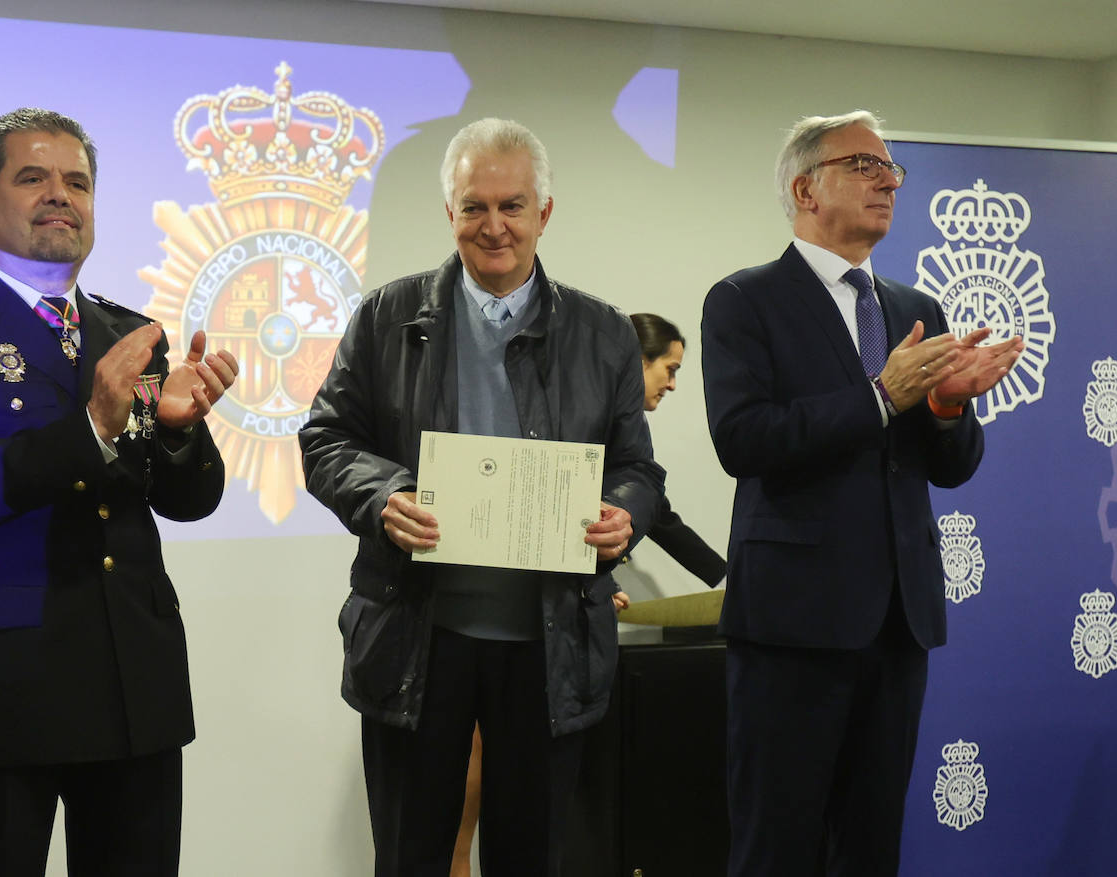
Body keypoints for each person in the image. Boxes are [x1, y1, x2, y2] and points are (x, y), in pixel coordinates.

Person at [299, 117, 663, 877]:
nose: (493, 226)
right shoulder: (384, 317)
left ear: (545, 214)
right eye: (474, 207)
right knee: (411, 853)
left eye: (512, 205)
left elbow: (637, 467)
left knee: (531, 855)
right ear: (450, 213)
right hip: (415, 634)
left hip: (551, 642)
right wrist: (385, 494)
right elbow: (325, 439)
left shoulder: (603, 333)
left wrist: (625, 512)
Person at [0, 107, 239, 876]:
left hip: (131, 683)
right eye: (33, 177)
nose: (60, 195)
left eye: (77, 182)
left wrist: (179, 431)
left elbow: (186, 499)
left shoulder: (129, 333)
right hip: (5, 688)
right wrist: (92, 423)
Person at [700, 110, 1023, 877]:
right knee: (778, 846)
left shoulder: (916, 309)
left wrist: (947, 408)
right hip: (792, 626)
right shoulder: (745, 300)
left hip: (897, 624)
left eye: (892, 171)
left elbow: (948, 467)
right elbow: (742, 438)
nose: (888, 182)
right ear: (806, 188)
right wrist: (881, 397)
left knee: (872, 847)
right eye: (864, 166)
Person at [627, 312, 727, 590]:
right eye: (670, 369)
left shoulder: (628, 425)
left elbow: (656, 513)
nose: (672, 384)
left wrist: (722, 575)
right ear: (640, 360)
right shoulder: (600, 421)